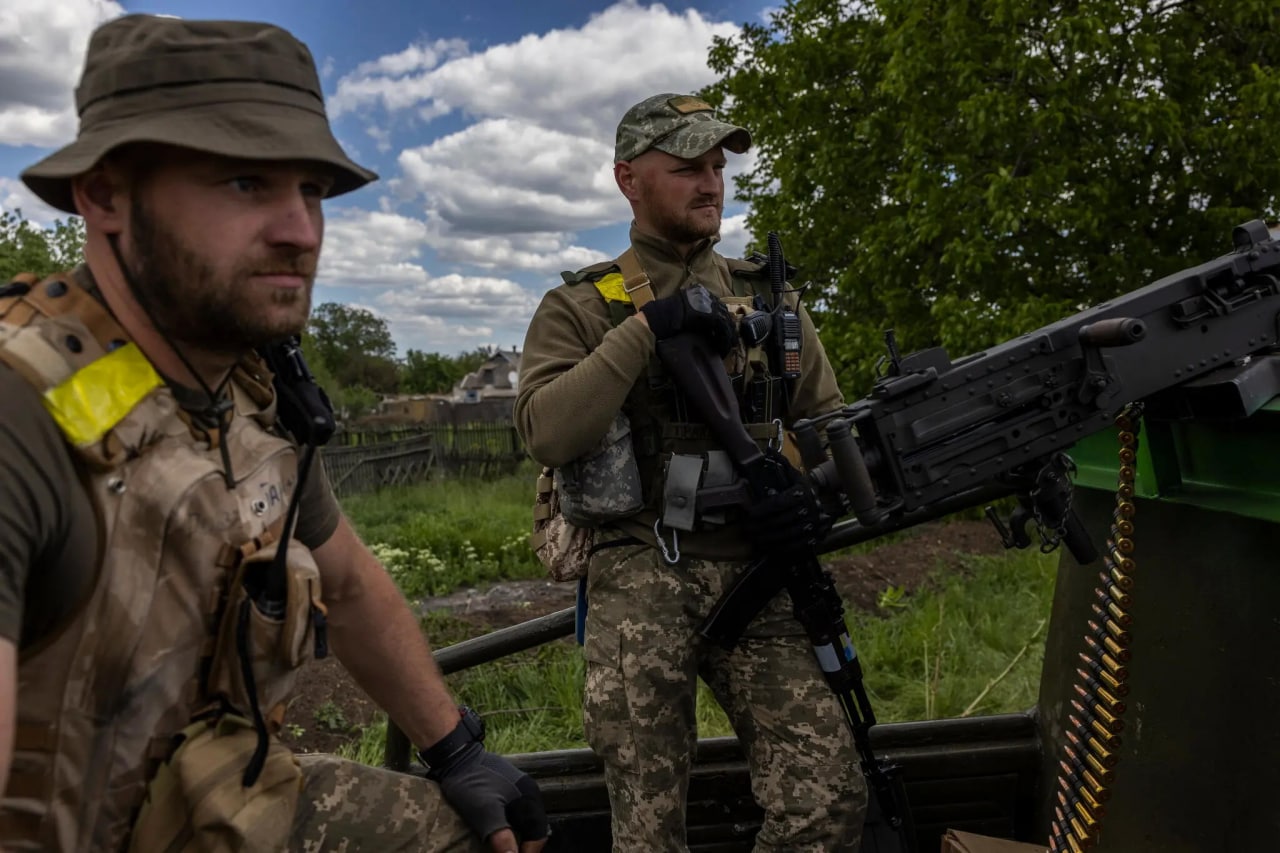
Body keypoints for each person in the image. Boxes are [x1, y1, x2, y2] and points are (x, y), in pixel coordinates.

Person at [0, 15, 547, 853]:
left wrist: (456, 746)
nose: (300, 229)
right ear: (105, 195)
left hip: (220, 810)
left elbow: (352, 584)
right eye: (245, 181)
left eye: (312, 190)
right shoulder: (21, 415)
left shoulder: (250, 395)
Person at [515, 93, 867, 851]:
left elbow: (831, 423)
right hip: (642, 570)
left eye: (717, 166)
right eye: (686, 168)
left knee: (829, 797)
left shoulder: (770, 296)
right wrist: (648, 329)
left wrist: (807, 494)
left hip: (761, 571)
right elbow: (548, 430)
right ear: (628, 179)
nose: (710, 183)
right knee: (647, 828)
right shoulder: (582, 305)